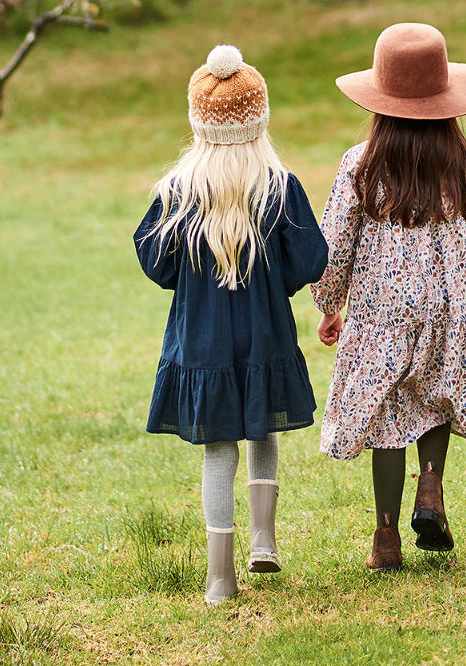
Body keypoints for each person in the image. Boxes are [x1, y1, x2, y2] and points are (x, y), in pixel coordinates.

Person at [134, 44, 328, 604]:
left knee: (218, 448)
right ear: (259, 119)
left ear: (198, 123)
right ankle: (263, 539)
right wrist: (273, 286)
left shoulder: (178, 190)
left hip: (202, 339)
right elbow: (310, 259)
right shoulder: (278, 184)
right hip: (264, 329)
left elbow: (155, 261)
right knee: (263, 425)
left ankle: (221, 578)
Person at [311, 22, 466, 570]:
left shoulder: (362, 162)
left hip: (381, 309)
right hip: (451, 302)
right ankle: (431, 487)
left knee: (388, 414)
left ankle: (386, 538)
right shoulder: (463, 162)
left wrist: (329, 301)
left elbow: (335, 240)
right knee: (440, 392)